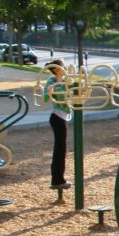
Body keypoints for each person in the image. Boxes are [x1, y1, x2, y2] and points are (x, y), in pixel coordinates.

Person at [44, 60, 71, 190]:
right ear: (56, 69)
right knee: (59, 150)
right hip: (57, 117)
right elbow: (47, 93)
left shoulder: (65, 79)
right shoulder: (53, 80)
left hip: (62, 117)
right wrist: (50, 90)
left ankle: (58, 179)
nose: (65, 68)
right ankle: (58, 180)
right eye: (63, 67)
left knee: (61, 149)